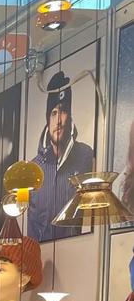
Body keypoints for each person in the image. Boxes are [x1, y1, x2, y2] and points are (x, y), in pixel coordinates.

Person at [28, 70, 95, 243]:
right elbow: (32, 227)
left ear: (70, 116)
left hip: (77, 249)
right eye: (53, 113)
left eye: (63, 111)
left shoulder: (85, 156)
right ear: (47, 118)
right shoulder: (34, 168)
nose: (58, 120)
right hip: (42, 254)